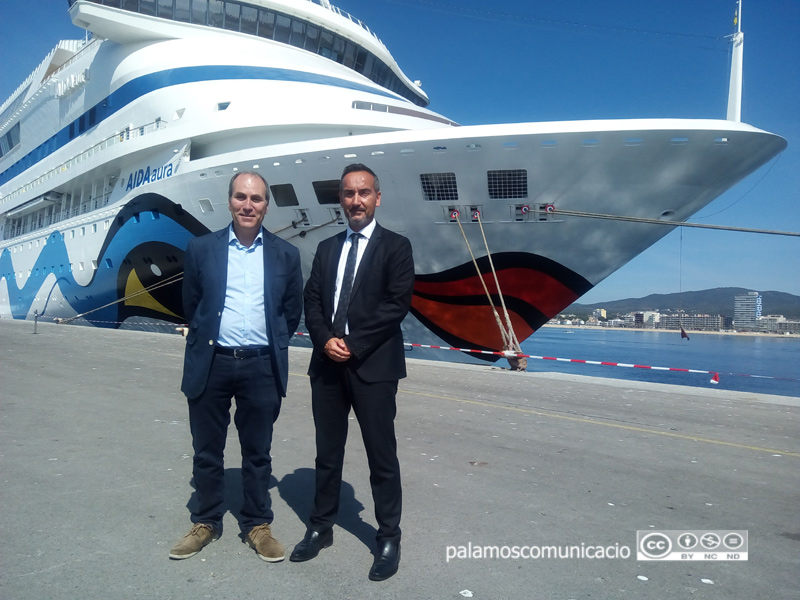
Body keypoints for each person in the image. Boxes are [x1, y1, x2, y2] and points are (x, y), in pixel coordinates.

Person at [169, 172, 303, 562]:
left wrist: (269, 341)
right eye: (241, 197)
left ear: (266, 205)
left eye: (256, 199)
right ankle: (206, 521)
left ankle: (257, 524)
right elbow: (192, 304)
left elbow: (289, 313)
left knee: (258, 451)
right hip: (213, 361)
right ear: (229, 201)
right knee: (206, 450)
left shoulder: (285, 254)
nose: (248, 205)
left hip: (261, 363)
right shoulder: (201, 248)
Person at [290, 163, 414, 581]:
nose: (355, 200)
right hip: (327, 365)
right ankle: (321, 526)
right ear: (340, 199)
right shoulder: (326, 249)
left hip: (373, 367)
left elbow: (395, 305)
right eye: (348, 193)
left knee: (382, 456)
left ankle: (389, 536)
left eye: (364, 192)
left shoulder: (396, 247)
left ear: (377, 198)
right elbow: (312, 300)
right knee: (328, 453)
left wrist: (353, 343)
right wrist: (324, 339)